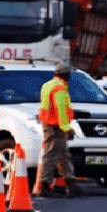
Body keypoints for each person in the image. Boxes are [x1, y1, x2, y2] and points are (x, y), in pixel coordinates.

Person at [37, 62, 84, 198]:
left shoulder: (48, 85)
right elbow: (61, 110)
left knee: (63, 155)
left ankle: (71, 184)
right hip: (55, 126)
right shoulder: (59, 88)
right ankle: (44, 185)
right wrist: (66, 128)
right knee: (51, 155)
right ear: (66, 74)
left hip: (49, 123)